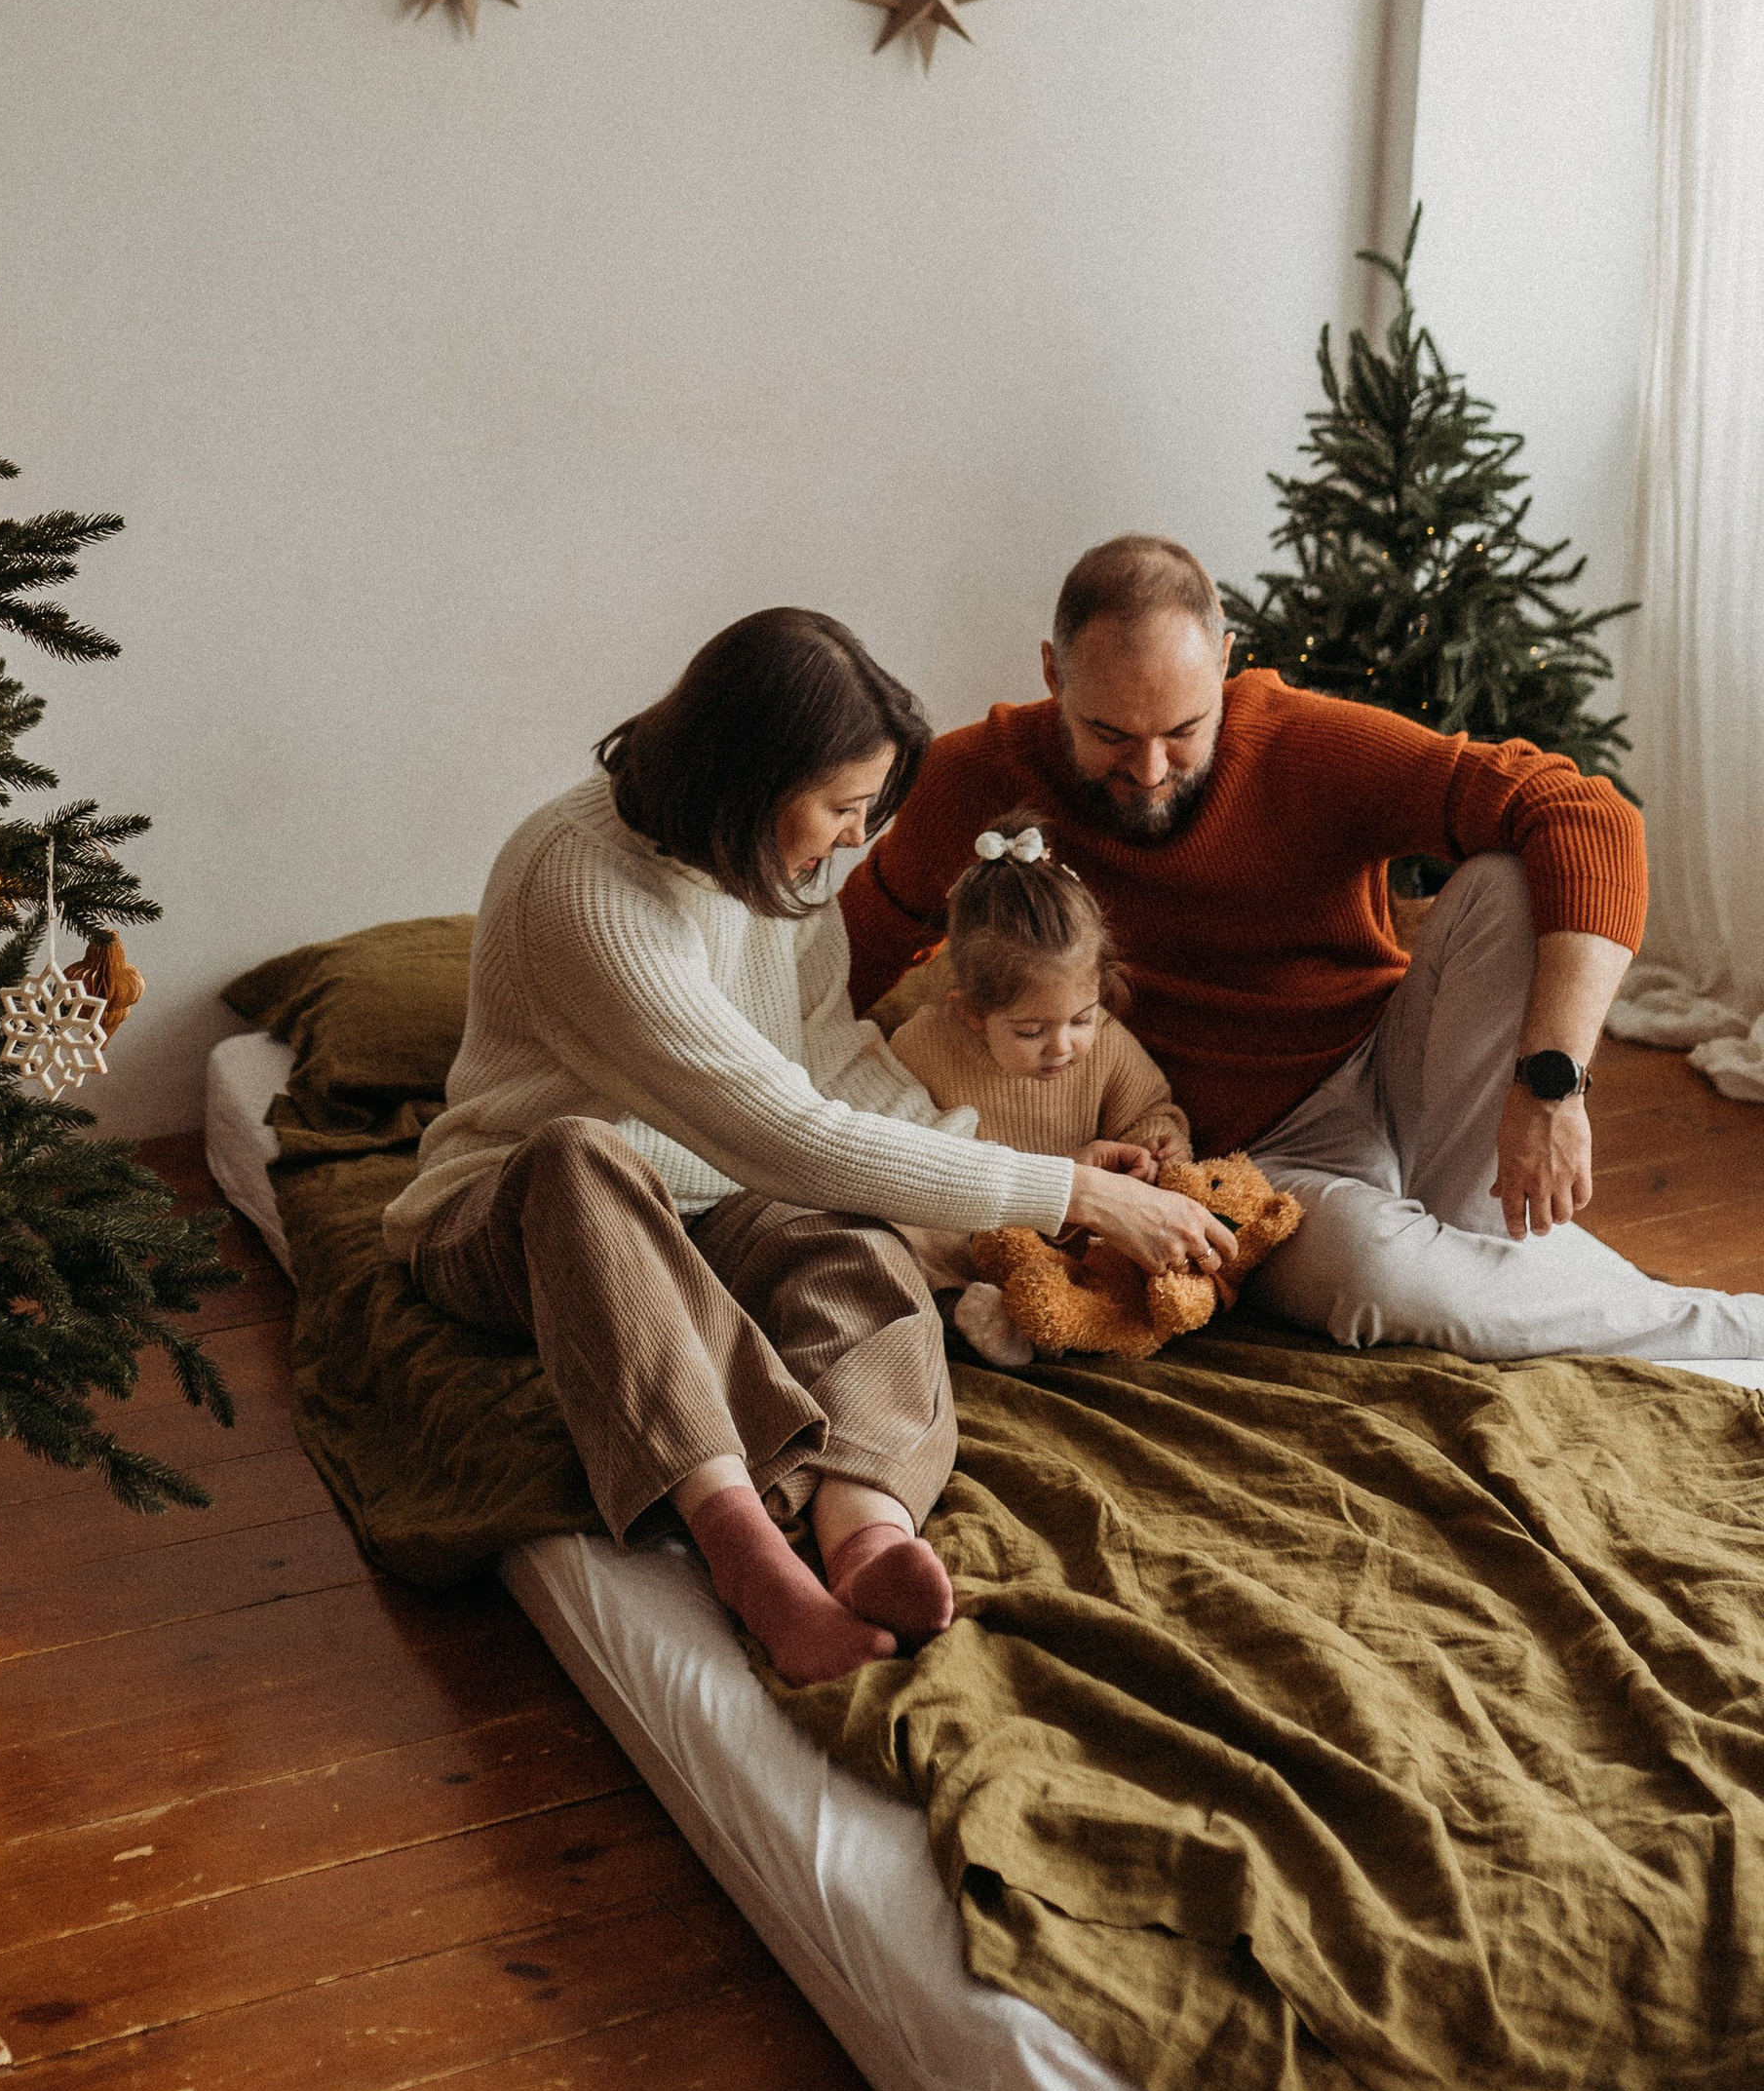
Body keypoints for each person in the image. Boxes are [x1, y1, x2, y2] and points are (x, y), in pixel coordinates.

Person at [385, 607, 1236, 1684]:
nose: (852, 838)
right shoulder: (581, 887)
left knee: (861, 1249)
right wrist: (1063, 1192)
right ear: (747, 783)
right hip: (518, 1216)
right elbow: (786, 1132)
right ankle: (750, 1562)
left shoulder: (771, 874)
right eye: (839, 808)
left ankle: (864, 1525)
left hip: (727, 1198)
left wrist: (990, 1170)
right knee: (578, 1154)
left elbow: (828, 1064)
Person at [842, 534, 1764, 1365]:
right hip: (1244, 1167)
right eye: (1110, 735)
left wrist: (1550, 1084)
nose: (1151, 772)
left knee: (1513, 877)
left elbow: (1585, 813)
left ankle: (1483, 1244)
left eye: (1183, 731)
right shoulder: (974, 778)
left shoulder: (1300, 742)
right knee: (1380, 1281)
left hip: (1391, 1069)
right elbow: (843, 961)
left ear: (1228, 668)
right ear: (1054, 675)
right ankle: (1716, 1332)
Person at [869, 821, 1192, 1171]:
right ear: (973, 1012)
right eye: (1030, 1031)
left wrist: (1156, 1144)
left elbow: (1147, 1111)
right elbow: (897, 1159)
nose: (1062, 1047)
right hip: (971, 1220)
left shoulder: (1106, 1041)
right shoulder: (921, 1050)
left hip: (1092, 1221)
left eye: (1081, 1019)